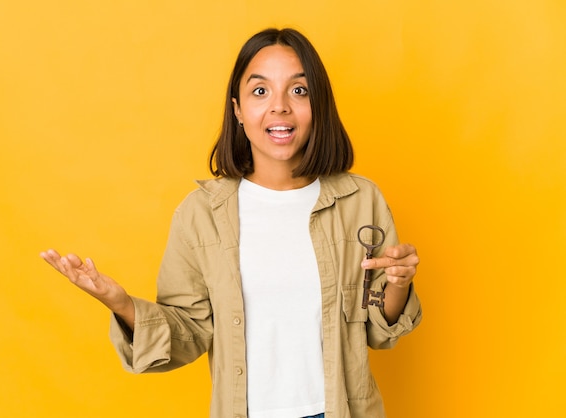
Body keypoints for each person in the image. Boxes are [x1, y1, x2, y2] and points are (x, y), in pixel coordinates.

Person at [41, 27, 422, 418]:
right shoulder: (201, 214)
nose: (279, 107)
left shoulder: (360, 201)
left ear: (318, 105)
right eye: (260, 91)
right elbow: (188, 332)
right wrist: (122, 305)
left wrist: (398, 284)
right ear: (238, 109)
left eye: (299, 90)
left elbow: (379, 329)